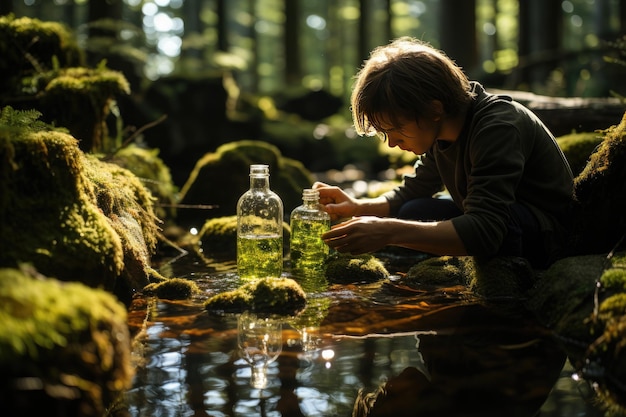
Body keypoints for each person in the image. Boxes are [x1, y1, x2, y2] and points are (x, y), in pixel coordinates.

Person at [314, 37, 574, 269]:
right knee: (414, 210)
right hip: (495, 220)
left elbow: (487, 228)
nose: (392, 143)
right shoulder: (441, 130)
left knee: (484, 230)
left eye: (395, 129)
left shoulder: (497, 127)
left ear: (434, 109)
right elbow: (414, 190)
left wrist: (388, 232)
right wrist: (358, 207)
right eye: (384, 133)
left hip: (545, 233)